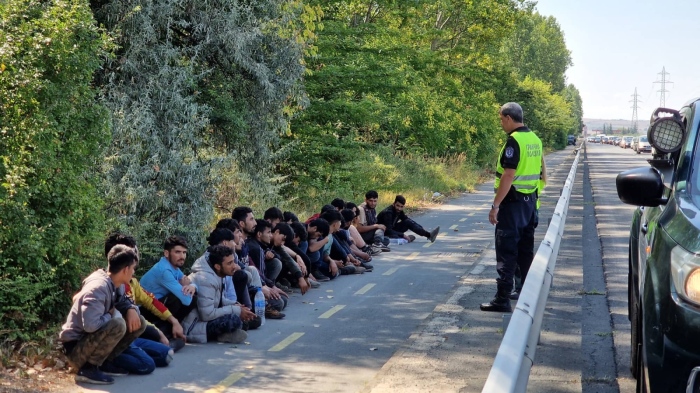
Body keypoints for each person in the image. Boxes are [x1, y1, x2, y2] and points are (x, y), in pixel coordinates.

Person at [480, 102, 542, 313]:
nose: (501, 124)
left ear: (508, 117)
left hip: (512, 205)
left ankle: (502, 298)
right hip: (530, 204)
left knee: (506, 251)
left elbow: (508, 175)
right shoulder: (535, 139)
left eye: (501, 119)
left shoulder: (514, 142)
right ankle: (527, 293)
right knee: (525, 252)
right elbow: (541, 173)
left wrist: (495, 205)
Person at [59, 245, 147, 385]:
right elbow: (90, 325)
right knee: (118, 324)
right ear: (125, 269)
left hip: (88, 341)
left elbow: (123, 302)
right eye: (133, 268)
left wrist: (131, 309)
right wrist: (109, 314)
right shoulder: (98, 288)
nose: (133, 272)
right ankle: (87, 369)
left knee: (139, 322)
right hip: (76, 348)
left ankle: (104, 363)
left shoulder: (117, 284)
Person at [182, 245, 256, 343]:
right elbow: (207, 314)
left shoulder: (215, 272)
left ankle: (225, 335)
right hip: (193, 328)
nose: (234, 266)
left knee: (252, 319)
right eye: (229, 263)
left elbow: (216, 300)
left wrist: (234, 304)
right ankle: (221, 335)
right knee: (234, 319)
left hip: (204, 319)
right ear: (218, 266)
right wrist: (235, 310)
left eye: (233, 261)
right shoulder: (205, 279)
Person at [140, 236, 197, 323]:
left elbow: (191, 283)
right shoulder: (164, 270)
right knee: (180, 298)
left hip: (156, 305)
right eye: (177, 252)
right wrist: (185, 285)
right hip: (143, 311)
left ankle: (171, 328)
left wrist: (193, 286)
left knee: (192, 293)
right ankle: (167, 329)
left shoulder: (173, 267)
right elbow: (187, 301)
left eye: (184, 252)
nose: (182, 256)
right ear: (166, 253)